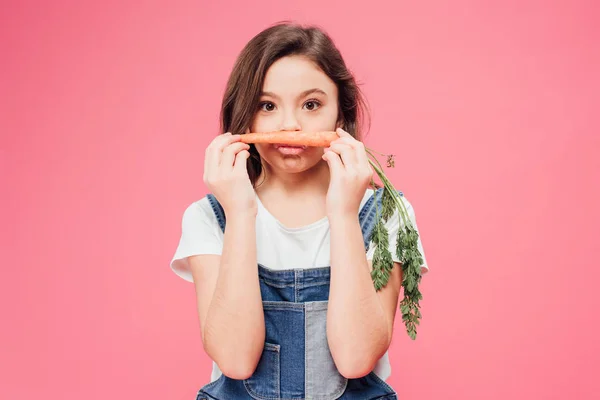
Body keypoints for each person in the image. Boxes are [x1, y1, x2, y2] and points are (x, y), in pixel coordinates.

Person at [170, 22, 429, 400]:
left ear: (340, 114)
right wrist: (241, 212)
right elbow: (235, 359)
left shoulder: (388, 213)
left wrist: (343, 214)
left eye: (311, 105)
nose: (290, 125)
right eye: (267, 105)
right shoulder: (210, 217)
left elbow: (356, 358)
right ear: (245, 116)